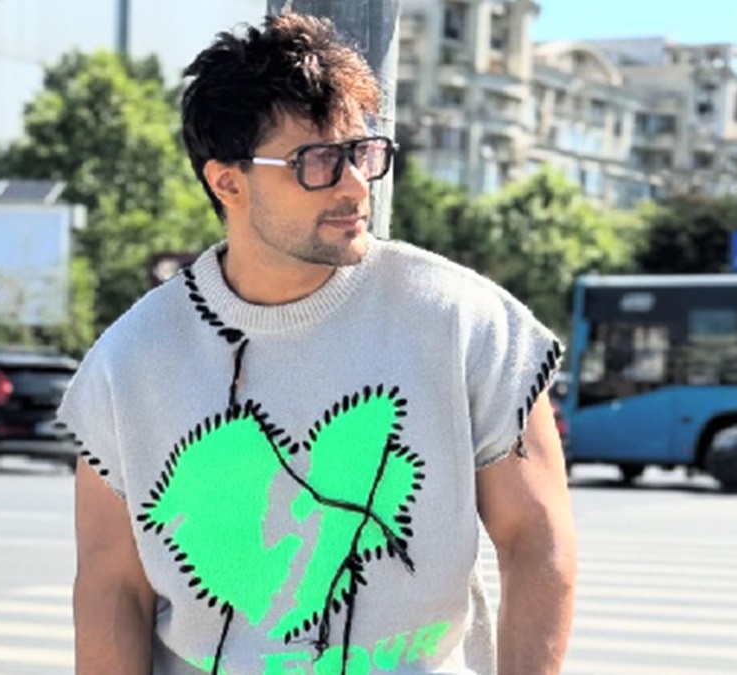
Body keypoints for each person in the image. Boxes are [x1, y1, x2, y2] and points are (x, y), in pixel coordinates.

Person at [58, 13, 576, 675]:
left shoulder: (463, 322)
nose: (356, 183)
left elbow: (537, 539)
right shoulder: (130, 361)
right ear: (228, 182)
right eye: (318, 161)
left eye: (363, 152)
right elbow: (112, 588)